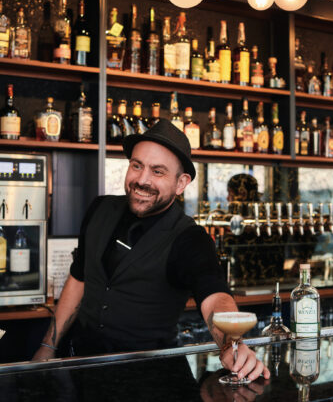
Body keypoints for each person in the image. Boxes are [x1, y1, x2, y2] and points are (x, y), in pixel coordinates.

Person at [33, 119, 270, 383]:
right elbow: (79, 278)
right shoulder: (99, 209)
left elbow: (215, 297)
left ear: (181, 184)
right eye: (137, 165)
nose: (142, 180)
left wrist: (231, 343)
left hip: (149, 378)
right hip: (83, 366)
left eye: (158, 172)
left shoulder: (190, 238)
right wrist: (48, 346)